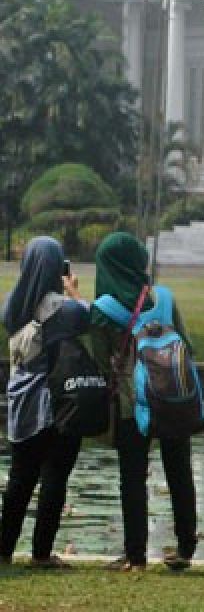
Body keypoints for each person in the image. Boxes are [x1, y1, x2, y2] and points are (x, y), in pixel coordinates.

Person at [88, 232, 198, 572]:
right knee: (179, 470)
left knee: (133, 477)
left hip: (130, 403)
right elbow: (187, 345)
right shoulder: (164, 298)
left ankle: (135, 556)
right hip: (173, 396)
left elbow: (101, 360)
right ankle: (184, 547)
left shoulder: (104, 309)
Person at [0, 237, 87, 567]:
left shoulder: (13, 304)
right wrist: (74, 291)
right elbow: (90, 315)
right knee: (54, 478)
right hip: (56, 404)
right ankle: (40, 553)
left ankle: (4, 549)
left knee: (20, 479)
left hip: (21, 404)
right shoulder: (64, 309)